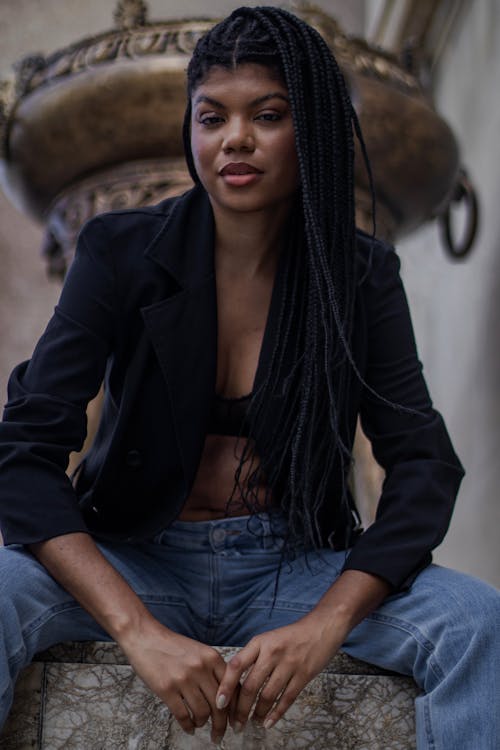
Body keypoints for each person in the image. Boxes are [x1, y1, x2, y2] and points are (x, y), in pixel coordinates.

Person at [0, 6, 498, 748]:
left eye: (267, 114)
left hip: (297, 566)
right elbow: (23, 453)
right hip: (135, 556)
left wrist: (325, 623)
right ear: (190, 129)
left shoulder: (360, 275)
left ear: (313, 131)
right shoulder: (119, 251)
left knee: (473, 622)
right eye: (212, 117)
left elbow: (424, 465)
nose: (234, 138)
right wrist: (136, 630)